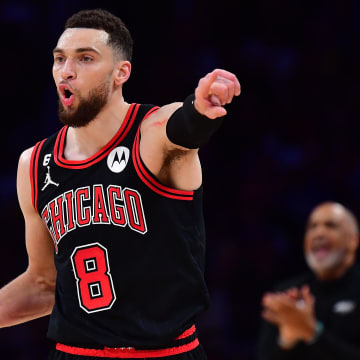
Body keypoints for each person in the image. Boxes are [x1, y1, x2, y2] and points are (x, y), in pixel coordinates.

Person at [0, 8, 240, 360]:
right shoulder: (34, 164)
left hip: (164, 353)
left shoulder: (150, 132)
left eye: (85, 58)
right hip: (74, 353)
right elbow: (42, 283)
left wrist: (200, 110)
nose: (66, 71)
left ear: (120, 72)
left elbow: (181, 129)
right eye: (59, 59)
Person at [257, 201, 360, 360]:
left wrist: (313, 332)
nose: (319, 233)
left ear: (353, 241)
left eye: (331, 225)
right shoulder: (286, 296)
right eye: (312, 226)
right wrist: (287, 341)